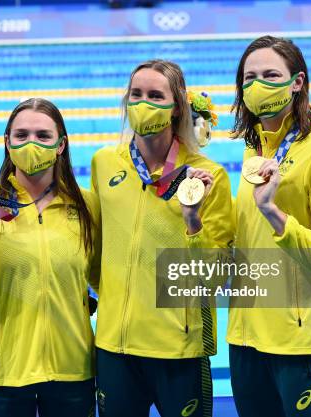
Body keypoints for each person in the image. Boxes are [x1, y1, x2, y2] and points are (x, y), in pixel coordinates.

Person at [91, 59, 234, 417]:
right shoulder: (104, 163)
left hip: (180, 349)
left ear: (176, 108)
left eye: (156, 95)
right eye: (136, 94)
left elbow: (214, 278)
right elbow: (94, 251)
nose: (143, 104)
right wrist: (109, 298)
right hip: (114, 346)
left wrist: (192, 220)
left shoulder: (207, 176)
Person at [228, 35, 311, 417]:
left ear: (297, 82)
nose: (257, 86)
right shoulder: (254, 151)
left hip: (304, 341)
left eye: (270, 75)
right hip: (247, 336)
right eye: (249, 78)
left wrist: (273, 213)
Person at [0, 98, 99, 417]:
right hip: (7, 373)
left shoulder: (87, 206)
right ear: (7, 142)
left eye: (43, 136)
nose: (32, 143)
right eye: (22, 135)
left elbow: (104, 281)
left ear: (61, 145)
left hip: (73, 369)